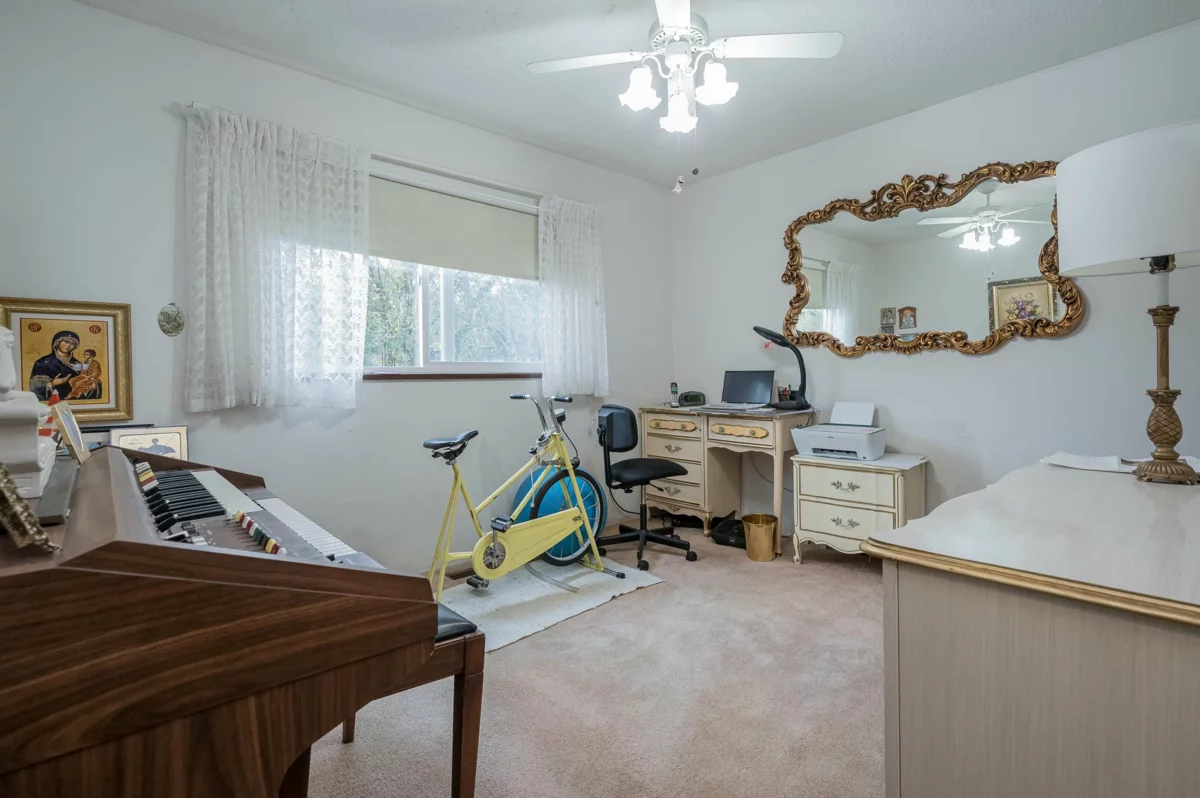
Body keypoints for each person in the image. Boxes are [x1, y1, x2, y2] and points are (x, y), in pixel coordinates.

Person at [28, 330, 101, 402]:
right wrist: (52, 384)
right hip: (54, 404)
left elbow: (90, 380)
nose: (69, 346)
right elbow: (35, 391)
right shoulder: (42, 363)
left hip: (76, 403)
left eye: (72, 344)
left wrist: (93, 384)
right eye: (66, 342)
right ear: (57, 342)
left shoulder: (78, 363)